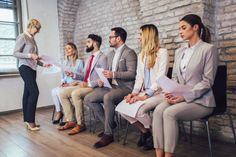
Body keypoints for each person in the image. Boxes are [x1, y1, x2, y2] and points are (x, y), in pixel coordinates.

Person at [152, 14, 219, 157]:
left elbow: (208, 81)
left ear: (195, 28)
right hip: (180, 97)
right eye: (179, 28)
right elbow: (175, 78)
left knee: (169, 113)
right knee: (158, 110)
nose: (180, 31)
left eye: (183, 28)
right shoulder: (179, 52)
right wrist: (171, 92)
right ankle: (159, 155)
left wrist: (184, 97)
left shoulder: (208, 49)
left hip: (202, 101)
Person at [84, 27, 137, 148]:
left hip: (126, 88)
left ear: (118, 38)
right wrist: (104, 80)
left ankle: (108, 134)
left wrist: (113, 74)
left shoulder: (129, 53)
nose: (109, 39)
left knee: (108, 97)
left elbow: (132, 74)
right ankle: (110, 124)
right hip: (110, 86)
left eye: (111, 37)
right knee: (88, 99)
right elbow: (107, 73)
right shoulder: (110, 54)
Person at [118, 24, 169, 149]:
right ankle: (147, 132)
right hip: (144, 92)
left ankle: (155, 135)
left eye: (140, 34)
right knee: (122, 109)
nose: (138, 37)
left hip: (159, 93)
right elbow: (139, 77)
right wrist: (134, 94)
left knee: (139, 111)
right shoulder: (141, 55)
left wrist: (145, 96)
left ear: (148, 35)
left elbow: (161, 78)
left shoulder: (163, 52)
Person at [58, 34, 107, 135]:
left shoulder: (103, 58)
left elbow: (104, 79)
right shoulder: (89, 58)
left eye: (88, 42)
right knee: (62, 93)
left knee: (76, 93)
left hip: (94, 87)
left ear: (95, 43)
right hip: (85, 85)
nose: (86, 44)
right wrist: (73, 74)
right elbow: (84, 76)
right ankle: (71, 120)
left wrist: (88, 83)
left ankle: (80, 124)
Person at [13, 19, 51, 131]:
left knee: (28, 93)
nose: (38, 31)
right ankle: (31, 121)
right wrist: (30, 55)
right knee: (35, 92)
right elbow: (15, 53)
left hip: (32, 68)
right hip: (24, 67)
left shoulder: (32, 40)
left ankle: (26, 120)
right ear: (31, 26)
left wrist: (43, 64)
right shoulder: (22, 36)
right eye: (37, 29)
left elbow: (34, 57)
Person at [51, 42, 84, 124]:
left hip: (75, 84)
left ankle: (67, 115)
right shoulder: (65, 62)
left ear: (74, 50)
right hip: (66, 84)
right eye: (66, 49)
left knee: (60, 92)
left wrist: (72, 79)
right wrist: (62, 82)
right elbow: (62, 76)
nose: (67, 50)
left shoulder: (79, 62)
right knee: (53, 91)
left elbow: (83, 76)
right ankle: (59, 112)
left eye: (69, 48)